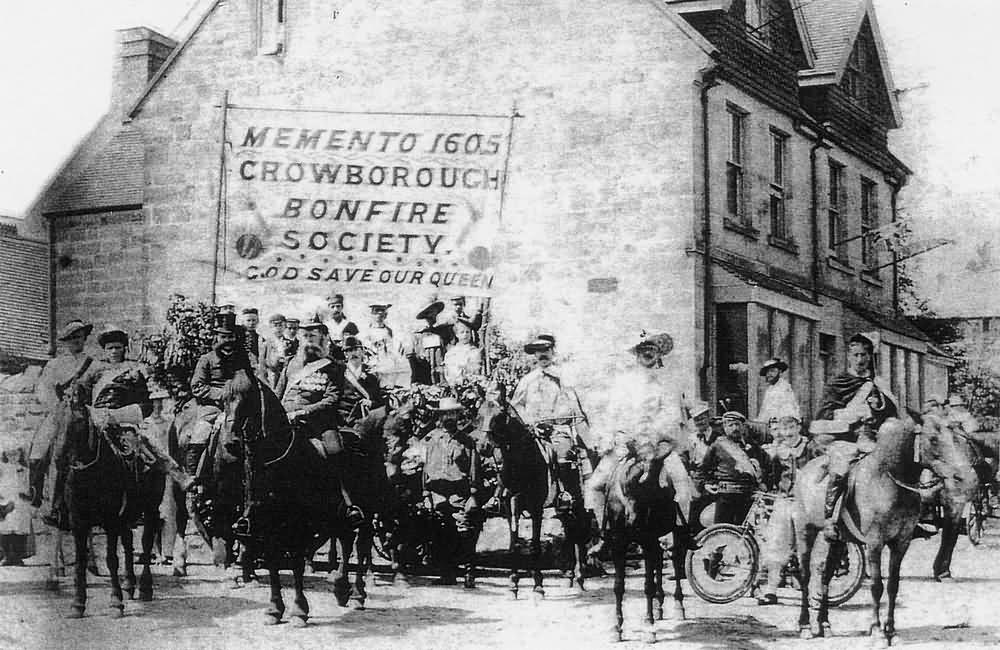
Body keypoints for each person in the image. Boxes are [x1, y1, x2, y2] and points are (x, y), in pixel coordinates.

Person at [584, 332, 695, 557]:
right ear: (636, 353)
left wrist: (654, 437)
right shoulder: (624, 383)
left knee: (682, 484)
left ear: (659, 353)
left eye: (652, 348)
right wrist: (615, 436)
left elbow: (672, 415)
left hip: (658, 445)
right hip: (628, 444)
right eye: (643, 348)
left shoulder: (668, 383)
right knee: (594, 485)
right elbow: (612, 413)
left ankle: (680, 534)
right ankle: (605, 535)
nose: (647, 352)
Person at [814, 333, 897, 541]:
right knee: (840, 469)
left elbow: (893, 413)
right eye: (856, 355)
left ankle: (905, 517)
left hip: (874, 440)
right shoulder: (837, 383)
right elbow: (823, 418)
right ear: (849, 357)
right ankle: (830, 519)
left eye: (865, 355)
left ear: (870, 357)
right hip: (845, 439)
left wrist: (880, 406)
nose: (860, 360)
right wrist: (855, 414)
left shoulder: (878, 384)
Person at [24, 320, 95, 512]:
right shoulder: (55, 364)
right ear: (65, 341)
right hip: (59, 411)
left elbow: (95, 388)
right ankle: (36, 491)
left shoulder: (92, 363)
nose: (76, 341)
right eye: (71, 338)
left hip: (84, 412)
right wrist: (56, 406)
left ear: (84, 338)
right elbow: (43, 389)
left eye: (79, 337)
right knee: (39, 446)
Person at [422, 396, 483, 584]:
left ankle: (469, 572)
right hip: (438, 492)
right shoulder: (433, 440)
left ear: (457, 416)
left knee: (464, 530)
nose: (448, 418)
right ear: (440, 417)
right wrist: (425, 492)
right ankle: (447, 573)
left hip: (459, 492)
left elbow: (474, 469)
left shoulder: (467, 441)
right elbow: (426, 467)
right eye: (444, 414)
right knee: (441, 532)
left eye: (452, 414)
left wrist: (473, 494)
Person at [756, 416, 817, 605]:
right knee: (775, 545)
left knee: (807, 548)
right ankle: (771, 591)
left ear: (799, 427)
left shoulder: (810, 448)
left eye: (792, 427)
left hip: (805, 502)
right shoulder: (778, 451)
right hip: (784, 501)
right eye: (785, 429)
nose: (789, 432)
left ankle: (813, 594)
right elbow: (772, 474)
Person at [188, 313, 250, 481]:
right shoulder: (206, 359)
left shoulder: (242, 359)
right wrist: (222, 395)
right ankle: (193, 477)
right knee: (201, 432)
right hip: (212, 406)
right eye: (223, 336)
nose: (227, 341)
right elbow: (197, 386)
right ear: (216, 337)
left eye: (230, 337)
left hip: (239, 405)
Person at [700, 411, 763, 525]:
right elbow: (703, 469)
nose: (735, 428)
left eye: (738, 424)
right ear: (724, 427)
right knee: (722, 529)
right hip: (726, 495)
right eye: (730, 425)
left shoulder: (753, 446)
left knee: (745, 531)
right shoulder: (717, 446)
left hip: (747, 496)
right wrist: (706, 483)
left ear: (743, 426)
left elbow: (766, 466)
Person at [362, 304, 409, 388]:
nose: (380, 313)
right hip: (375, 364)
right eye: (377, 311)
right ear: (372, 314)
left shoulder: (389, 330)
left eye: (382, 310)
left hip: (388, 363)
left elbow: (392, 348)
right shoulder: (367, 332)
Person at [409, 300, 452, 385]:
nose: (431, 315)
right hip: (426, 373)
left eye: (433, 311)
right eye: (428, 312)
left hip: (443, 370)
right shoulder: (418, 335)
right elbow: (414, 358)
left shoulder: (445, 331)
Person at [757, 358, 800, 433]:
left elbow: (788, 412)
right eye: (767, 372)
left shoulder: (784, 388)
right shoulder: (770, 389)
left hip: (782, 428)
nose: (769, 374)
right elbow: (765, 412)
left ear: (779, 372)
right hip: (769, 427)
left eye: (772, 371)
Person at [443, 319, 483, 385]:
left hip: (471, 383)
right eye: (462, 332)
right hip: (453, 383)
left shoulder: (475, 351)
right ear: (457, 334)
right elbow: (448, 371)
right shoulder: (451, 353)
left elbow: (475, 370)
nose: (465, 335)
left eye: (467, 332)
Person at [324, 293, 360, 358]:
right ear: (328, 308)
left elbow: (356, 345)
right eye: (332, 307)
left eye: (338, 306)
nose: (335, 309)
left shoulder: (350, 325)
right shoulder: (325, 326)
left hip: (346, 356)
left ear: (342, 307)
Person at [257, 313, 287, 388]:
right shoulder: (266, 344)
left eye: (281, 325)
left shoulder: (289, 343)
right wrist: (264, 379)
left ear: (285, 326)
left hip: (285, 374)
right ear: (270, 327)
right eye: (275, 326)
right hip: (271, 374)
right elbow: (262, 364)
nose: (278, 328)